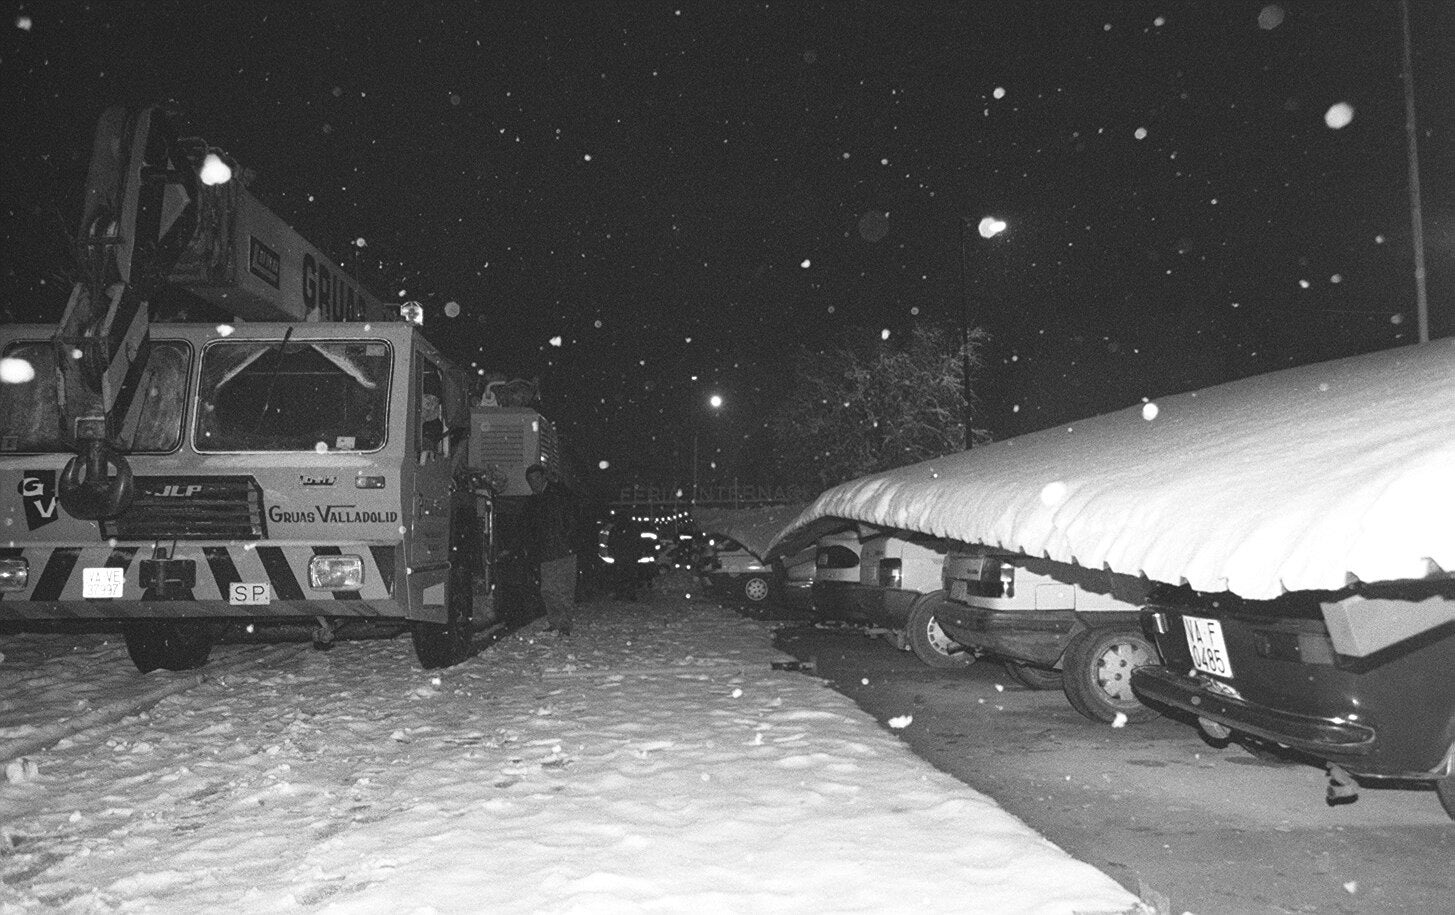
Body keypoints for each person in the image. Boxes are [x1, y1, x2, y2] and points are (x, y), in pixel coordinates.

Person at [522, 464, 575, 636]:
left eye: (537, 478)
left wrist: (565, 539)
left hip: (562, 550)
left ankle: (564, 625)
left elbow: (569, 516)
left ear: (544, 478)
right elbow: (531, 529)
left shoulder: (556, 495)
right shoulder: (533, 501)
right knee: (548, 590)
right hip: (546, 553)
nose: (534, 483)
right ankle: (555, 622)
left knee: (563, 589)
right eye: (531, 480)